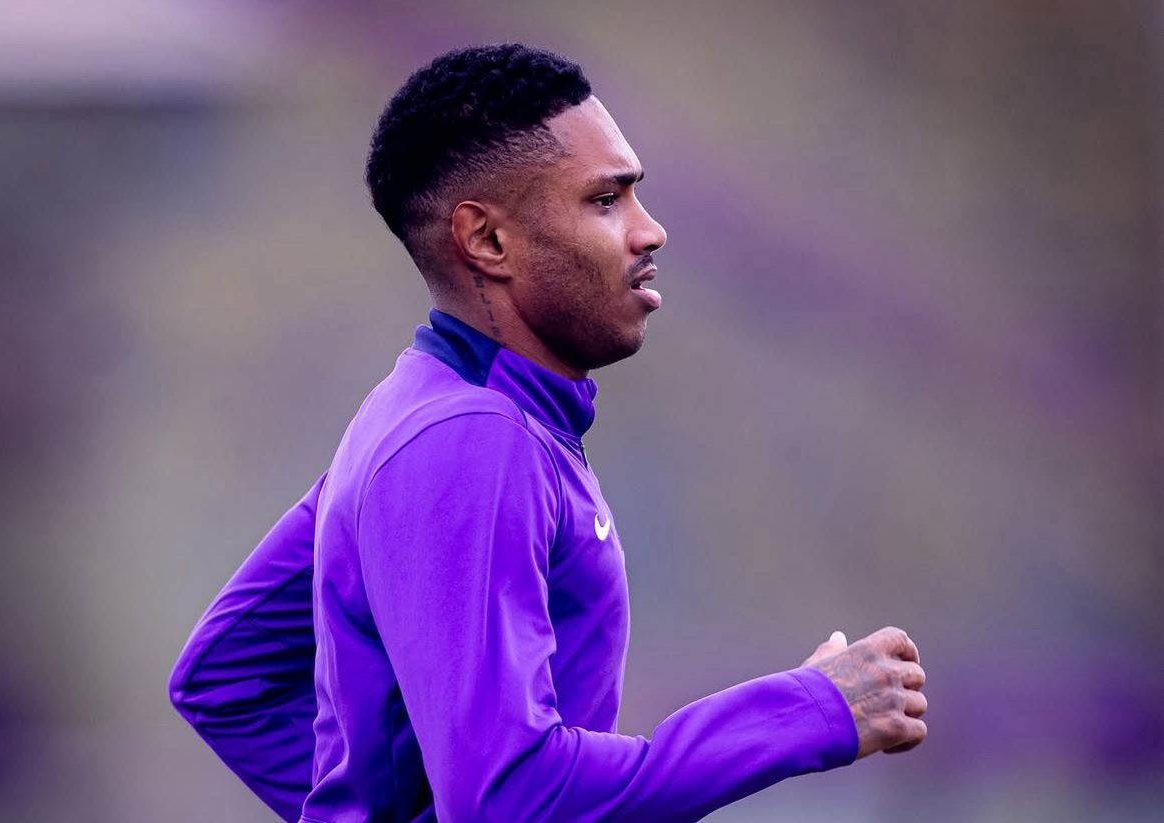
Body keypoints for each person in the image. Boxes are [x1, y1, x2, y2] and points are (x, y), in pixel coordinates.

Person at [169, 43, 928, 823]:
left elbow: (230, 679)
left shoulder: (425, 412)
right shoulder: (468, 440)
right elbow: (513, 797)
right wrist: (806, 712)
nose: (650, 231)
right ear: (487, 241)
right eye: (606, 201)